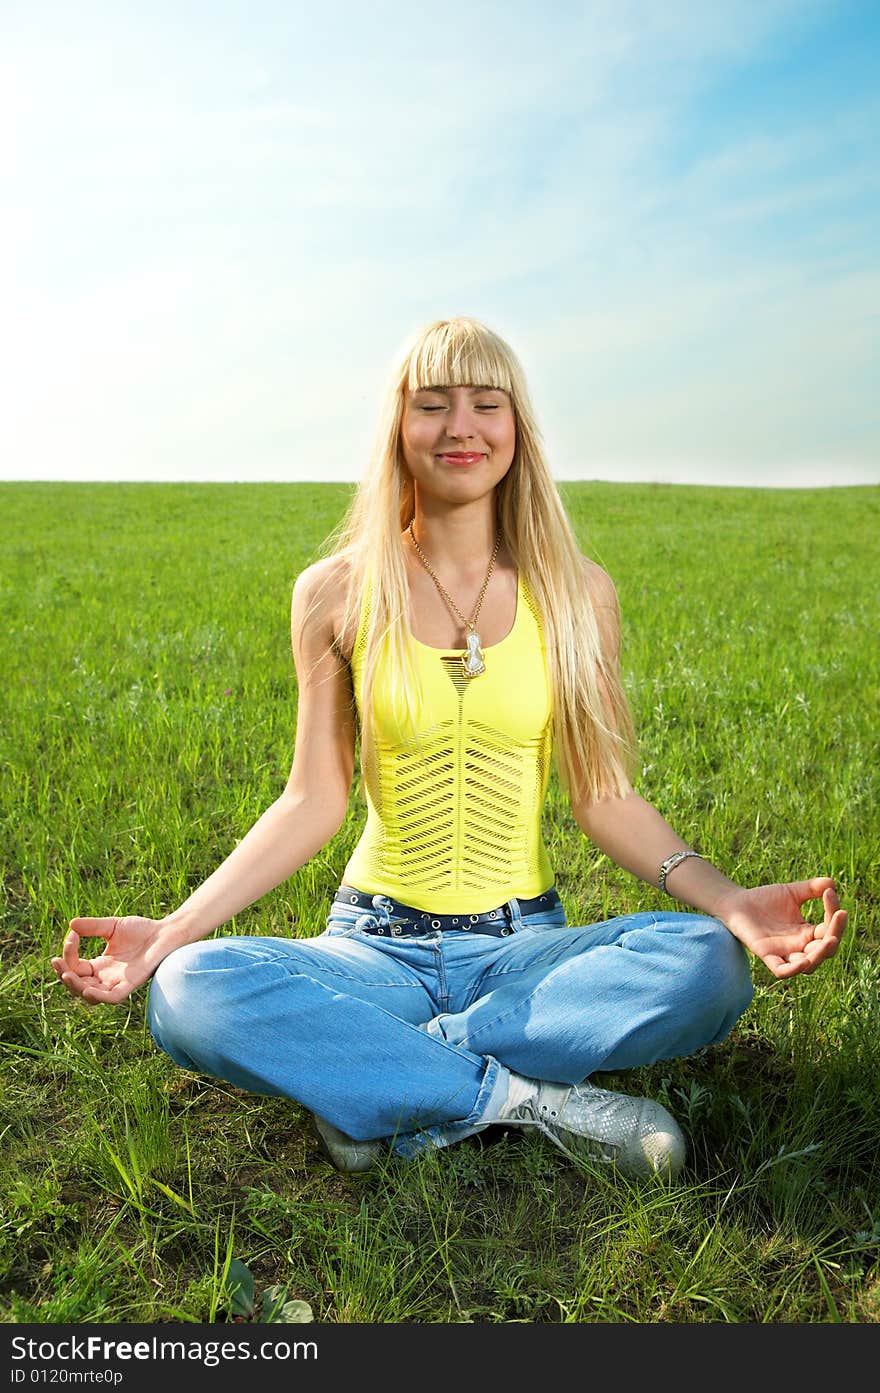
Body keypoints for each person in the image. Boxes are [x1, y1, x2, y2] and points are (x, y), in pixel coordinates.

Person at [51, 315, 847, 1181]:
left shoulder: (581, 595)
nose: (460, 426)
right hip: (371, 946)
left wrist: (729, 899)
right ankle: (523, 1099)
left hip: (522, 951)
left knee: (712, 967)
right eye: (432, 404)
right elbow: (312, 798)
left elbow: (604, 797)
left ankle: (385, 1074)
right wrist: (171, 931)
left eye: (485, 403)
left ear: (517, 430)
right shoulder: (336, 592)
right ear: (400, 428)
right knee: (188, 990)